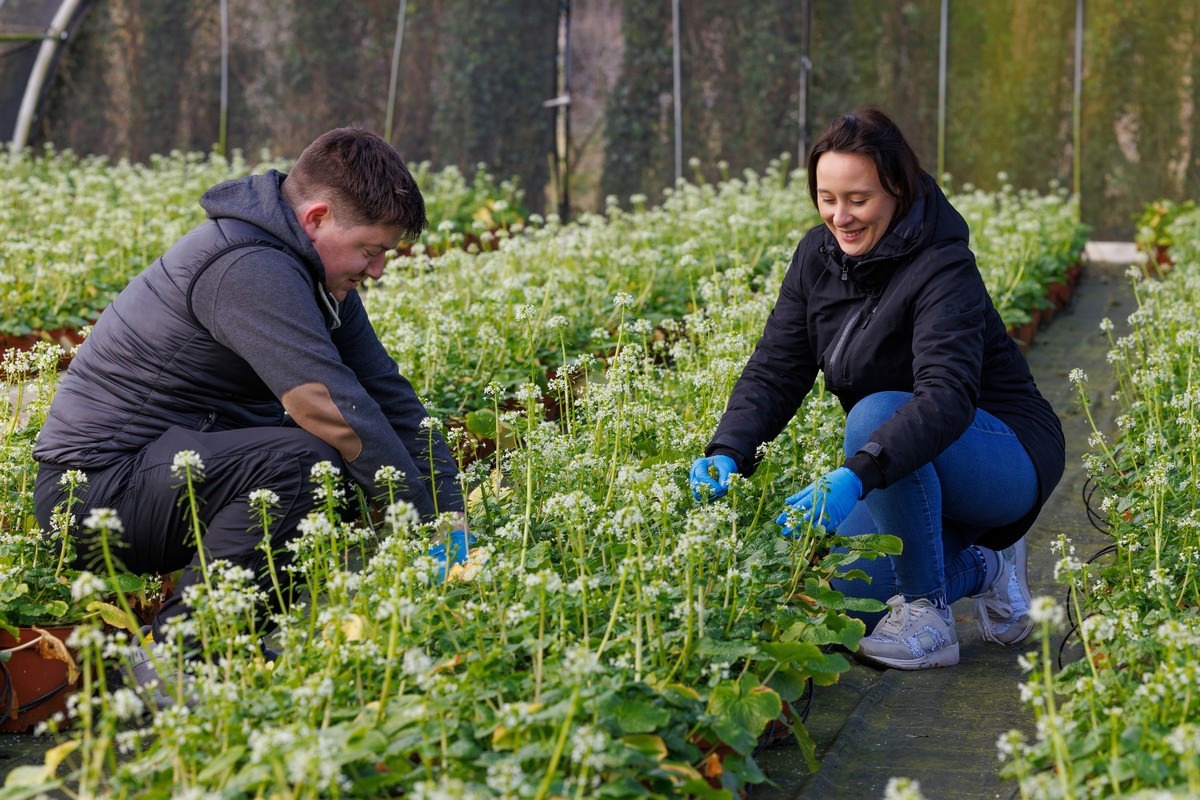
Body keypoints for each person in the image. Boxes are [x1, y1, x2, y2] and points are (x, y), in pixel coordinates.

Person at [33, 127, 465, 669]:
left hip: (168, 472)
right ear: (316, 219)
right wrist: (420, 521)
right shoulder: (248, 267)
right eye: (370, 250)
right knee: (314, 460)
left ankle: (253, 641)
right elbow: (326, 408)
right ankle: (176, 663)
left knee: (351, 460)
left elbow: (389, 399)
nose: (377, 270)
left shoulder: (316, 276)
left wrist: (453, 529)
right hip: (92, 494)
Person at [689, 108, 1064, 670]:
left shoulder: (943, 265)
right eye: (827, 198)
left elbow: (946, 398)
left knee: (874, 415)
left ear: (895, 188)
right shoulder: (815, 258)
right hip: (904, 465)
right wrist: (728, 449)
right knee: (845, 597)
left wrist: (855, 474)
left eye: (858, 199)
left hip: (1001, 454)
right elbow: (776, 368)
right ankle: (991, 564)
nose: (841, 216)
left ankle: (929, 619)